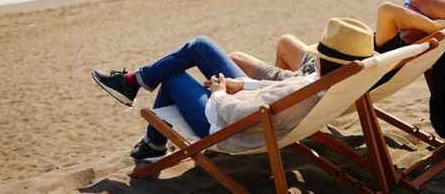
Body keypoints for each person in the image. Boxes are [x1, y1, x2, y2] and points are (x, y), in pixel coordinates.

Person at [92, 17, 374, 160]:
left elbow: (237, 115)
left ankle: (152, 139)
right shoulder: (333, 83)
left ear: (324, 60)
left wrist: (219, 92)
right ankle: (135, 85)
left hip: (229, 127)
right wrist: (243, 84)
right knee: (200, 45)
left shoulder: (312, 87)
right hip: (256, 108)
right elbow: (285, 87)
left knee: (175, 78)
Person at [230, 0, 445, 82]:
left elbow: (386, 9)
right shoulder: (417, 45)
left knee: (234, 57)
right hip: (341, 76)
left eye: (408, 6)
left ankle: (283, 100)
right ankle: (288, 86)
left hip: (321, 79)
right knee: (286, 41)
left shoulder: (390, 42)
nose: (404, 6)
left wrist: (433, 24)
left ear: (414, 20)